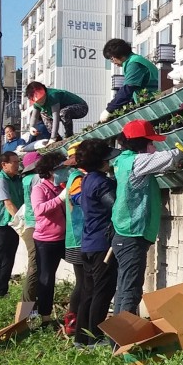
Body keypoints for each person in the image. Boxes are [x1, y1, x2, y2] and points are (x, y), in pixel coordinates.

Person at [110, 120, 183, 316]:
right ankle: (124, 341)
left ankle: (118, 340)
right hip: (131, 235)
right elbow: (171, 156)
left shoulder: (123, 161)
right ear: (139, 143)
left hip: (125, 233)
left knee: (124, 288)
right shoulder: (137, 161)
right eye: (151, 142)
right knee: (130, 291)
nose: (154, 147)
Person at [74, 138, 120, 348]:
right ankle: (95, 337)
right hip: (103, 245)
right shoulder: (102, 183)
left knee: (89, 292)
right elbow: (115, 206)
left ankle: (81, 338)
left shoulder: (87, 180)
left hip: (89, 243)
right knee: (102, 292)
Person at [30, 150, 68, 329]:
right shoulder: (40, 189)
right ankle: (45, 318)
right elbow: (39, 209)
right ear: (51, 170)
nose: (65, 171)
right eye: (61, 167)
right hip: (46, 241)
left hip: (64, 238)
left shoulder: (62, 186)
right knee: (46, 278)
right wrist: (60, 199)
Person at [0, 151, 24, 298]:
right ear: (4, 164)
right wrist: (21, 222)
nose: (17, 165)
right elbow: (8, 203)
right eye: (13, 162)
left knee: (9, 258)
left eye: (17, 162)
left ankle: (2, 290)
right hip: (0, 225)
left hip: (13, 225)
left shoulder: (17, 180)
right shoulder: (0, 181)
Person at [98, 38, 160, 121]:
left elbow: (127, 90)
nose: (113, 63)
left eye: (111, 59)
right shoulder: (133, 60)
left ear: (117, 55)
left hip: (154, 104)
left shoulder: (134, 63)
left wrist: (109, 110)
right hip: (150, 103)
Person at [62, 141, 86, 336]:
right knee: (83, 282)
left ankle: (73, 319)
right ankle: (74, 320)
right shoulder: (78, 179)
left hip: (75, 237)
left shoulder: (73, 178)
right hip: (79, 238)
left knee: (83, 282)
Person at [24, 81, 89, 141]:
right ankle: (57, 138)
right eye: (38, 101)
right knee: (43, 113)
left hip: (81, 108)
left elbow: (56, 117)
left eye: (42, 99)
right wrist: (32, 127)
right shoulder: (37, 103)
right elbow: (34, 117)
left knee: (63, 112)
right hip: (64, 111)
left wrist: (53, 137)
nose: (41, 102)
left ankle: (69, 134)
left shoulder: (52, 95)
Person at [18, 151, 42, 305]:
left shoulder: (26, 179)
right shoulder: (36, 178)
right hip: (35, 225)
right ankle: (26, 306)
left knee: (37, 265)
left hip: (29, 225)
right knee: (34, 266)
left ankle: (32, 302)